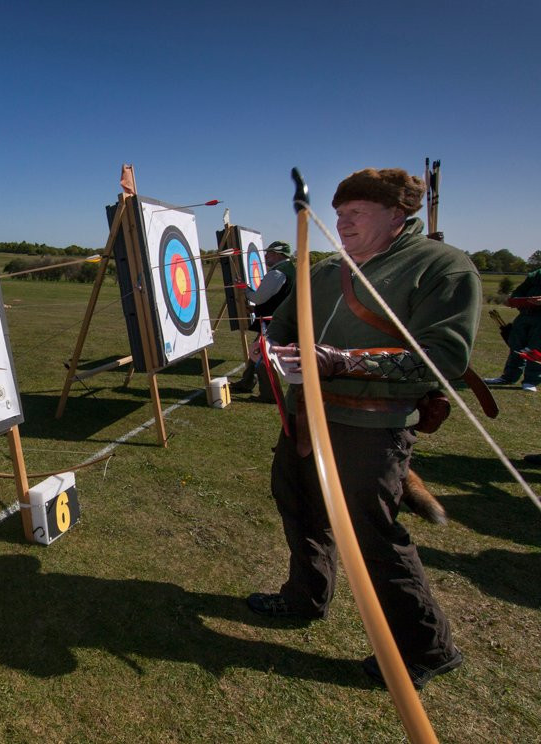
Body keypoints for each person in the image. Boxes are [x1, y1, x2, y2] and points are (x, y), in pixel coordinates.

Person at [247, 168, 479, 689]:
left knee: (370, 537)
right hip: (309, 416)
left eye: (355, 213)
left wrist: (341, 361)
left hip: (372, 426)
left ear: (397, 215)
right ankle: (305, 596)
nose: (341, 222)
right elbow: (283, 326)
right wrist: (270, 350)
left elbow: (440, 359)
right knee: (300, 506)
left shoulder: (443, 269)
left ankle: (427, 647)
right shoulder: (329, 271)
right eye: (338, 213)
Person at [230, 241, 296, 395]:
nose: (266, 256)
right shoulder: (290, 269)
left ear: (278, 254)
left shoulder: (277, 273)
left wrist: (244, 289)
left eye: (269, 253)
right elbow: (278, 298)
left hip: (274, 323)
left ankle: (269, 394)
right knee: (256, 350)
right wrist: (255, 308)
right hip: (281, 320)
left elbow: (258, 297)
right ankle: (246, 383)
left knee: (261, 355)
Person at [482, 267, 541, 392]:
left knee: (535, 349)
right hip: (524, 315)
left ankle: (531, 381)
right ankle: (508, 377)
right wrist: (513, 300)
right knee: (515, 346)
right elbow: (520, 291)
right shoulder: (536, 275)